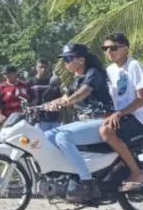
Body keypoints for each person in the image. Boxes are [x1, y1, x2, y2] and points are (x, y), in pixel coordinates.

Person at [43, 43, 114, 199]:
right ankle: (66, 174)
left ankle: (87, 182)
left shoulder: (93, 73)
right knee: (47, 136)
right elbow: (66, 97)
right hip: (85, 122)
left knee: (63, 136)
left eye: (68, 58)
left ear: (81, 60)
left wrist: (65, 103)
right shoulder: (77, 78)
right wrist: (43, 106)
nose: (65, 63)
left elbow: (83, 92)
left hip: (101, 120)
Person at [99, 33, 143, 192]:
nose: (109, 52)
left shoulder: (134, 66)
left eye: (114, 48)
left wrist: (119, 113)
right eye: (105, 48)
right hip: (126, 116)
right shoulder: (110, 70)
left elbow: (142, 99)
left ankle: (136, 173)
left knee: (106, 131)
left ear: (125, 48)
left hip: (142, 118)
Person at [29, 59, 61, 131]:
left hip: (54, 119)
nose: (43, 69)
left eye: (45, 67)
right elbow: (28, 99)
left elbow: (59, 98)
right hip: (38, 120)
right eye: (40, 67)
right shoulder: (30, 82)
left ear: (48, 68)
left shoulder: (53, 81)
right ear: (36, 67)